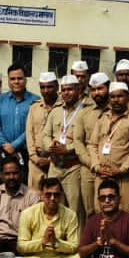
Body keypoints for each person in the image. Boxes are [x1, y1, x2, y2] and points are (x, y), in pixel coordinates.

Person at [11, 177, 80, 258]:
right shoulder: (28, 214)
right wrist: (42, 242)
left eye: (56, 195)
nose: (52, 198)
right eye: (48, 194)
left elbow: (74, 246)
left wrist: (56, 243)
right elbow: (21, 246)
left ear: (61, 196)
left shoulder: (70, 215)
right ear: (41, 195)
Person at [46, 74, 95, 215]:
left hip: (73, 167)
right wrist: (51, 146)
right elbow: (45, 135)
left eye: (70, 89)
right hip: (54, 166)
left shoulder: (86, 112)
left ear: (78, 90)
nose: (66, 93)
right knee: (53, 206)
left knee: (74, 209)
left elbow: (88, 141)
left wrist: (68, 149)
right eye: (64, 90)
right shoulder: (55, 111)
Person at [88, 82, 129, 208]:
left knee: (123, 212)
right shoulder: (103, 118)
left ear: (128, 98)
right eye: (113, 97)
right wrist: (97, 167)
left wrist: (122, 169)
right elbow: (92, 145)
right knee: (100, 210)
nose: (116, 100)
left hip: (123, 178)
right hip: (101, 176)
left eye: (120, 96)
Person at [0, 64, 37, 185]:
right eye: (12, 79)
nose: (16, 82)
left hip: (25, 151)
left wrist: (15, 145)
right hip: (2, 150)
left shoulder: (35, 101)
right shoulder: (0, 100)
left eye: (20, 78)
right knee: (1, 185)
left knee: (24, 185)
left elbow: (33, 127)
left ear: (26, 79)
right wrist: (6, 145)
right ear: (8, 80)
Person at [0, 156, 39, 257]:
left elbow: (36, 225)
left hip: (21, 241)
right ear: (1, 176)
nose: (11, 177)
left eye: (15, 173)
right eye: (7, 174)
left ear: (21, 174)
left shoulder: (32, 196)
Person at [24, 72, 61, 193]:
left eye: (49, 87)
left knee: (54, 196)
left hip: (56, 163)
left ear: (57, 86)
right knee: (34, 197)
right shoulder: (34, 107)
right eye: (42, 87)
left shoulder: (64, 107)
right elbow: (29, 134)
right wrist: (35, 158)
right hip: (36, 162)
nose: (46, 91)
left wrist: (51, 160)